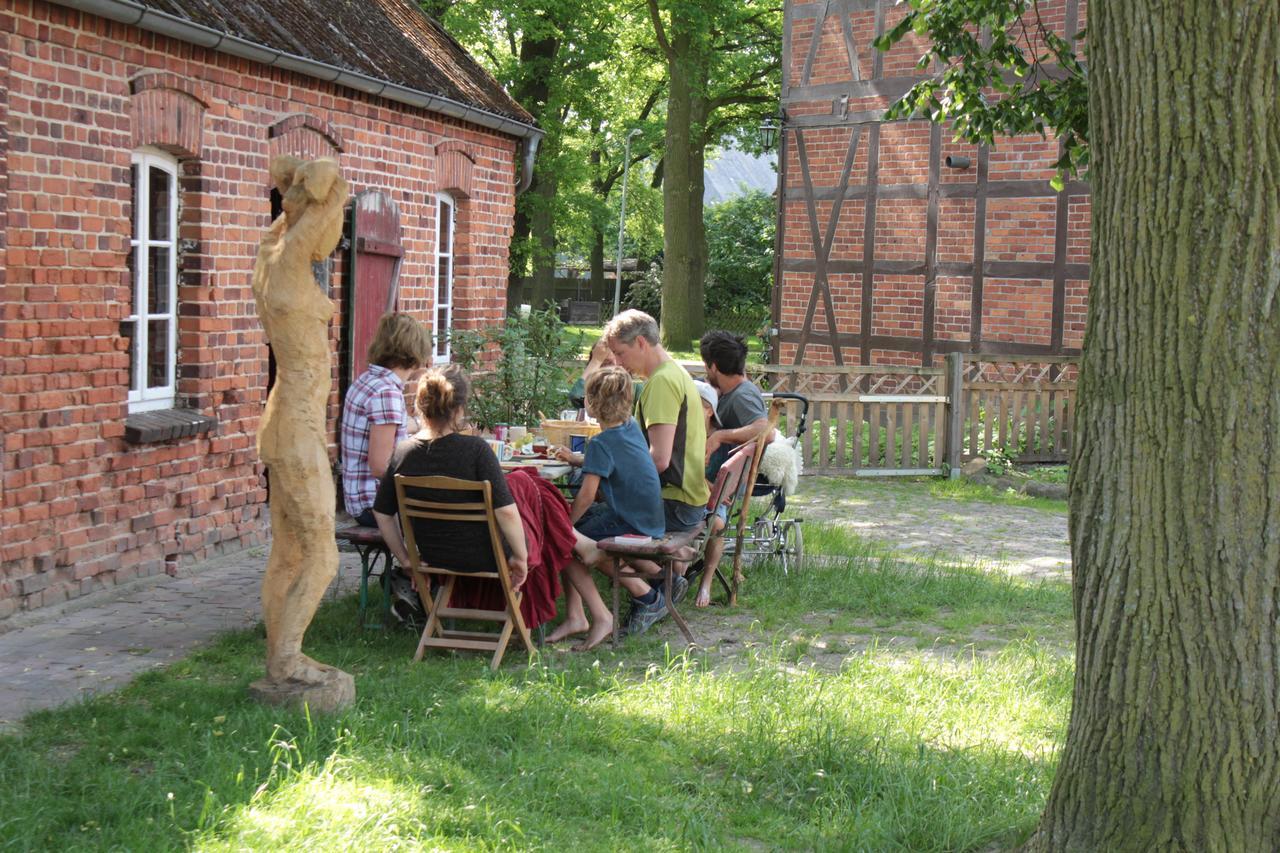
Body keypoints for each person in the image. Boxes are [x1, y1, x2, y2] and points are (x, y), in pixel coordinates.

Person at [372, 365, 530, 595]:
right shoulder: (476, 450)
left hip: (433, 557)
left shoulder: (403, 453)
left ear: (419, 405)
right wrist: (521, 557)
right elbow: (505, 512)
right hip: (486, 557)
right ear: (459, 409)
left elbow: (382, 512)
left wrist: (407, 560)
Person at [603, 309, 709, 632]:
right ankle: (666, 578)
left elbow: (659, 460)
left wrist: (611, 473)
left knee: (582, 529)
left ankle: (649, 597)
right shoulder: (676, 372)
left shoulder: (661, 384)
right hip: (689, 498)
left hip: (674, 502)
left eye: (621, 354)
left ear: (640, 343)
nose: (619, 364)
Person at [547, 366, 666, 649]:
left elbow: (587, 496)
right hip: (648, 515)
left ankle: (637, 601)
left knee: (566, 541)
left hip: (630, 521)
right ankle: (579, 616)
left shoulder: (601, 442)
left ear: (590, 403)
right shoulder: (630, 426)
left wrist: (568, 523)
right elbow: (615, 461)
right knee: (576, 536)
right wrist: (579, 460)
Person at [694, 330, 772, 608]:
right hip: (711, 478)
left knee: (715, 521)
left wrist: (719, 436)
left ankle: (705, 580)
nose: (705, 370)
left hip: (724, 484)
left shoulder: (742, 395)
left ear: (714, 366)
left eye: (706, 365)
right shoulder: (731, 390)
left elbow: (766, 431)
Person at [340, 312, 432, 527]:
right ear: (414, 350)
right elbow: (380, 467)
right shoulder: (386, 393)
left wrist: (420, 424)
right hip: (375, 505)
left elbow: (389, 426)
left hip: (362, 499)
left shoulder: (368, 380)